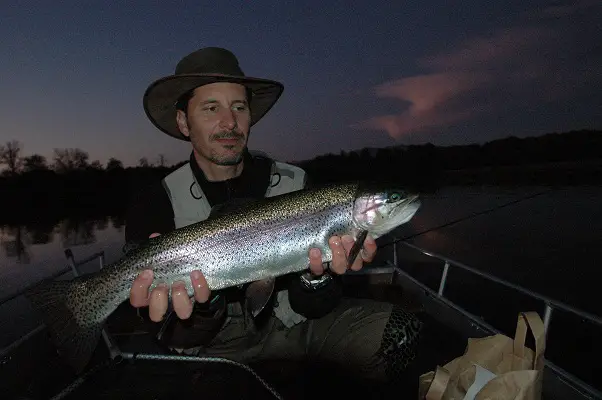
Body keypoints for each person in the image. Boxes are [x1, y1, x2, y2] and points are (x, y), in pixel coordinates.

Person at [124, 47, 423, 384]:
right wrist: (205, 305)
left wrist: (317, 279)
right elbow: (169, 332)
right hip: (215, 347)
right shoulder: (153, 204)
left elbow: (317, 306)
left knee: (402, 333)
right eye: (211, 108)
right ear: (183, 122)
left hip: (296, 324)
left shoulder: (299, 183)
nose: (229, 122)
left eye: (239, 107)